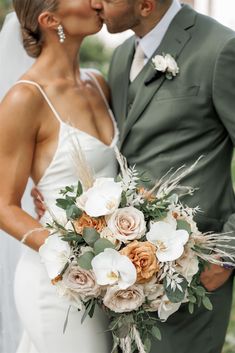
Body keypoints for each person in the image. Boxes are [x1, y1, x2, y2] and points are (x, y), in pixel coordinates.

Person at [34, 0, 235, 352]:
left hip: (194, 274)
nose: (95, 2)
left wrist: (228, 254)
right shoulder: (123, 54)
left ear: (145, 4)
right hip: (120, 281)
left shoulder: (219, 49)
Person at [0, 0, 119, 352]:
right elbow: (4, 206)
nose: (99, 2)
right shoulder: (25, 98)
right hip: (57, 285)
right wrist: (72, 253)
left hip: (108, 279)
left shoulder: (98, 83)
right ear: (51, 20)